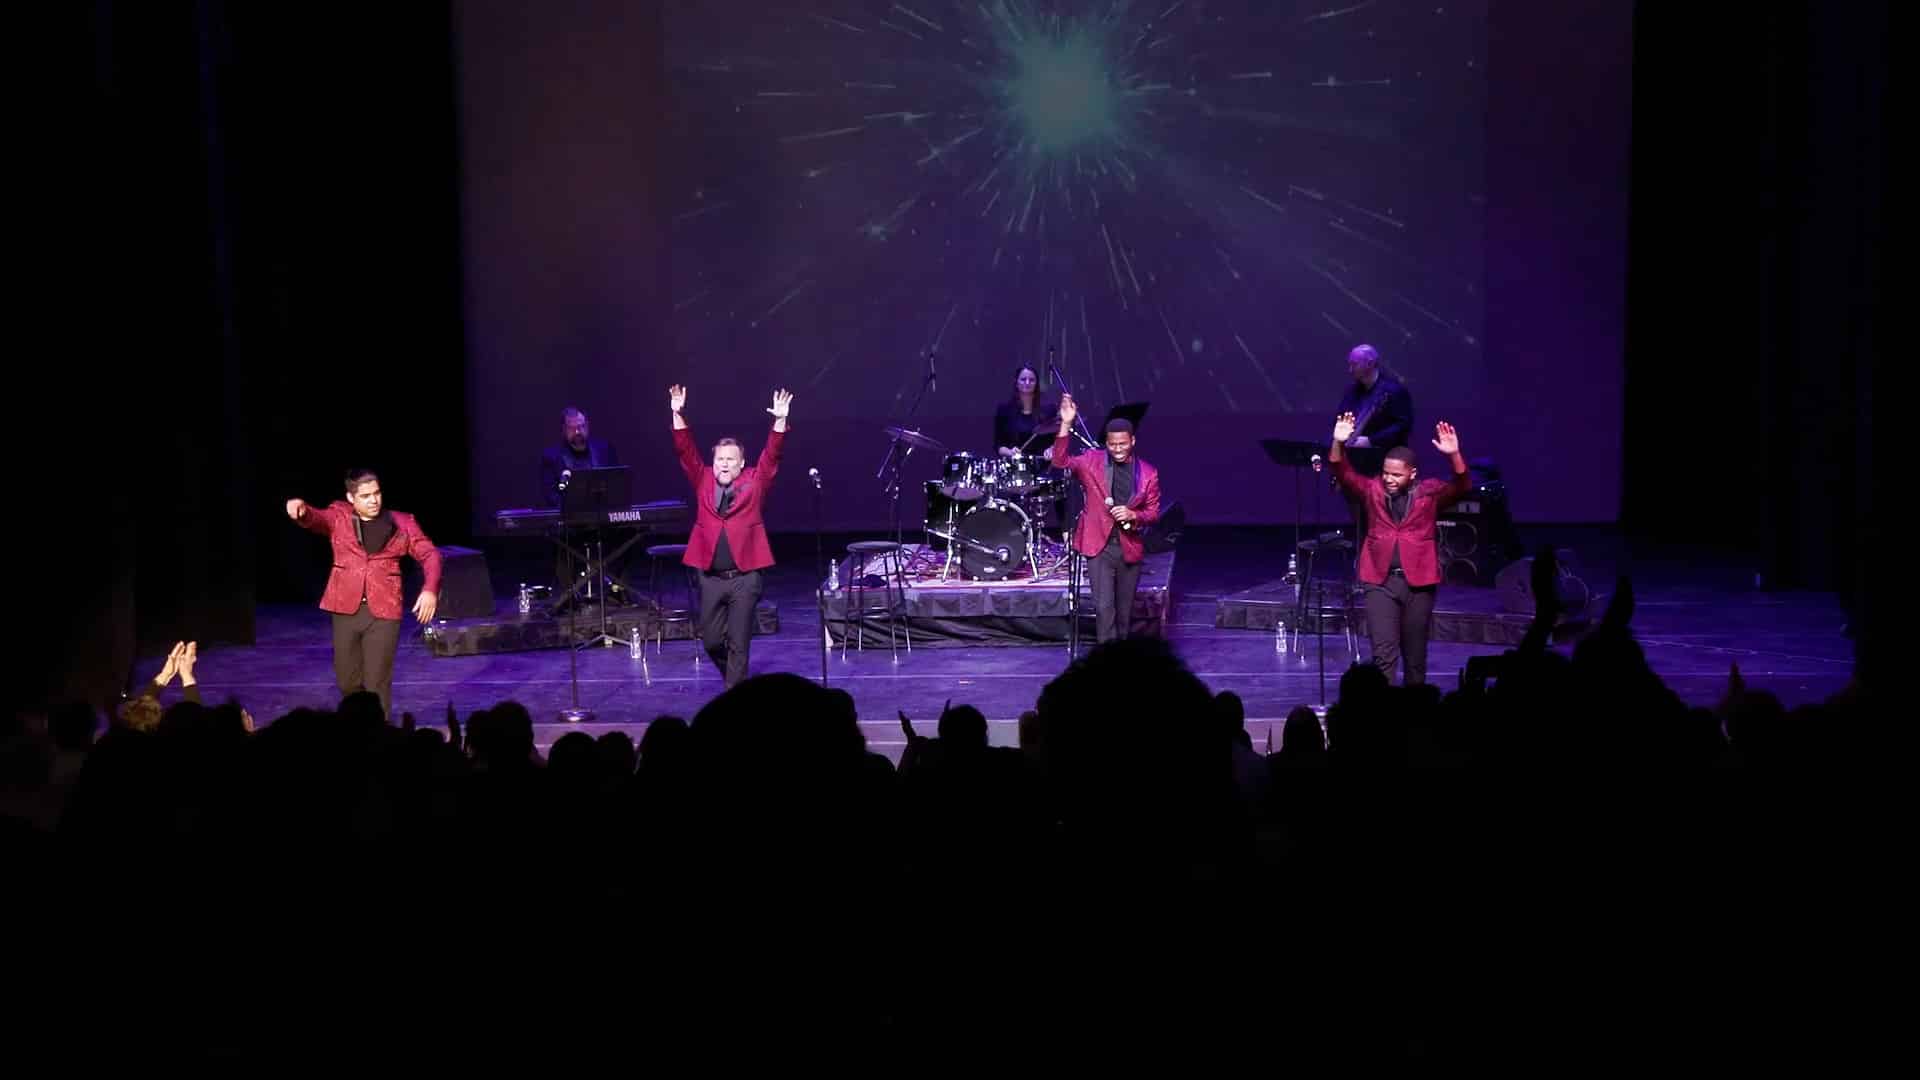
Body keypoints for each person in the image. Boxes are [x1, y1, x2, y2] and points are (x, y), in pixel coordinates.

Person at [1329, 413, 1471, 686]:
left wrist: (1454, 455)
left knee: (1415, 659)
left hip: (1419, 584)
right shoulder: (1372, 490)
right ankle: (1386, 720)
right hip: (1380, 581)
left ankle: (1415, 721)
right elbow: (1341, 472)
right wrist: (1338, 442)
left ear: (1412, 474)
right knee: (1384, 657)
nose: (1389, 479)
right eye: (1385, 473)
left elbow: (1463, 486)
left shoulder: (1429, 493)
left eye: (1396, 474)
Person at [286, 469, 441, 716]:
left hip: (384, 611)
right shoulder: (339, 516)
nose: (373, 500)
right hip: (345, 607)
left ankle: (380, 736)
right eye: (366, 495)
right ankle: (358, 727)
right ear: (351, 498)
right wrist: (303, 511)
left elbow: (430, 554)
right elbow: (317, 519)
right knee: (347, 681)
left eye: (377, 493)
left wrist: (430, 589)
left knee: (377, 682)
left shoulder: (402, 522)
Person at [669, 384, 790, 689]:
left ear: (741, 464)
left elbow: (772, 457)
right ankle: (739, 684)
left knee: (739, 644)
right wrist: (676, 412)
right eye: (720, 459)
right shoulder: (703, 479)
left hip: (744, 578)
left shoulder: (754, 482)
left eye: (730, 459)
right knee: (710, 641)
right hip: (710, 576)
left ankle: (734, 698)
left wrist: (779, 422)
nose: (724, 464)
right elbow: (685, 450)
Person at [1052, 394, 1161, 643]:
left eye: (1123, 444)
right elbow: (1060, 462)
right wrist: (1066, 424)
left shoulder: (1148, 473)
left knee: (1124, 616)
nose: (1118, 449)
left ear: (1132, 441)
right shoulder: (1091, 461)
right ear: (1107, 443)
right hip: (1098, 546)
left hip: (1128, 547)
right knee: (1104, 609)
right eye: (1113, 444)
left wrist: (1134, 514)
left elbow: (1153, 513)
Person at [541, 407, 620, 507]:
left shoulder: (604, 450)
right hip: (570, 518)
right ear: (564, 429)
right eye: (571, 428)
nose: (577, 432)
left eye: (581, 426)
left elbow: (616, 486)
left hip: (603, 513)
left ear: (587, 426)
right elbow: (552, 496)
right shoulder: (551, 457)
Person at [992, 364, 1059, 463]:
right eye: (1023, 379)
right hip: (1014, 466)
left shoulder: (1049, 410)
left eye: (1032, 380)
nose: (1027, 383)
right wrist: (1009, 452)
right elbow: (998, 445)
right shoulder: (1004, 410)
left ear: (1036, 384)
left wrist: (1052, 449)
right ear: (1016, 382)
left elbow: (1057, 441)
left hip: (1044, 466)